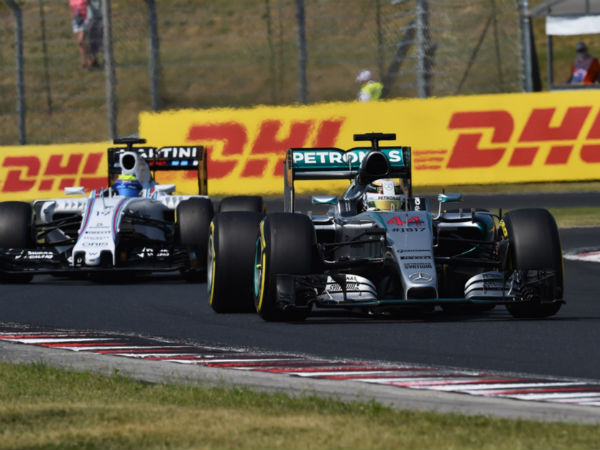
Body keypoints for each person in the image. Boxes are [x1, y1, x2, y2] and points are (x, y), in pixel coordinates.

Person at [69, 0, 89, 68]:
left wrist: (80, 9)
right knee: (80, 43)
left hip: (84, 19)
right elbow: (71, 8)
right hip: (76, 20)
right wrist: (72, 14)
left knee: (81, 40)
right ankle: (84, 62)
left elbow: (87, 6)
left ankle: (90, 58)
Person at [86, 0, 103, 68]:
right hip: (91, 18)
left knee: (102, 39)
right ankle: (94, 60)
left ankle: (106, 60)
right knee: (92, 40)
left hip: (101, 16)